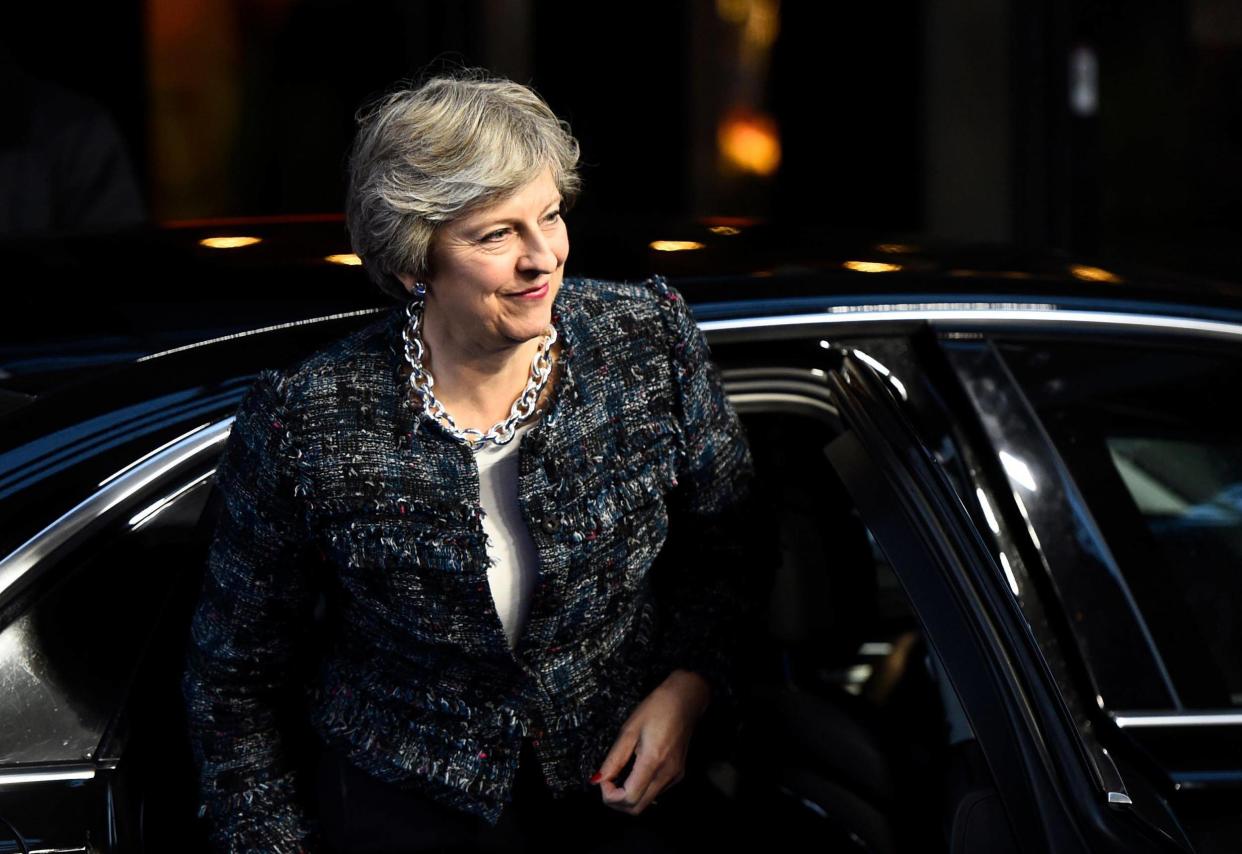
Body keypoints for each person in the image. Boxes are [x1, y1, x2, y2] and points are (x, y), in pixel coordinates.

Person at [182, 66, 770, 854]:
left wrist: (689, 688)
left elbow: (731, 549)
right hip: (398, 813)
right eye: (496, 235)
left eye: (550, 217)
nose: (543, 259)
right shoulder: (309, 419)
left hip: (619, 798)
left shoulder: (647, 343)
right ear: (412, 261)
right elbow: (233, 683)